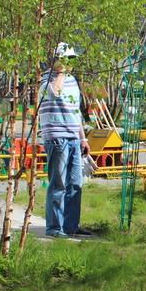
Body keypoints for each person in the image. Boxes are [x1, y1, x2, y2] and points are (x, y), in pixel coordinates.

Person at [39, 43, 94, 239]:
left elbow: (75, 110)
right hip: (57, 137)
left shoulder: (72, 81)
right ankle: (54, 228)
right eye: (66, 59)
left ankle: (71, 226)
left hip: (73, 137)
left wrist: (83, 138)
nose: (70, 63)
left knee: (75, 183)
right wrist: (60, 72)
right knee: (59, 183)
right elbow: (55, 93)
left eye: (71, 60)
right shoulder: (47, 79)